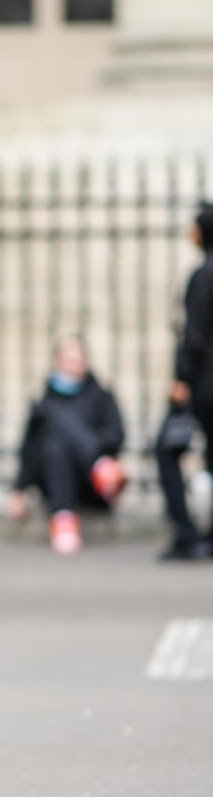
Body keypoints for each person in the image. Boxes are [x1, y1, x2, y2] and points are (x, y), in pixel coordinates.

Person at [6, 336, 126, 555]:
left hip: (92, 485)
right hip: (56, 480)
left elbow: (116, 436)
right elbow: (30, 451)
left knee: (56, 427)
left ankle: (64, 519)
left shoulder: (100, 396)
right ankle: (96, 465)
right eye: (68, 360)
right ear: (58, 362)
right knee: (54, 442)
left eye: (77, 360)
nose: (73, 366)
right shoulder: (43, 401)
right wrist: (19, 489)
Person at [155, 202, 213, 560]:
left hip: (203, 385)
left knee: (165, 449)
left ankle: (186, 532)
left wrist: (181, 379)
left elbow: (194, 337)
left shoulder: (203, 275)